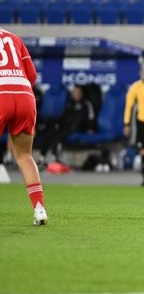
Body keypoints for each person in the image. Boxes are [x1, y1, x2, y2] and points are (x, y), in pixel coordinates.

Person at [0, 28, 48, 225]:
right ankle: (39, 209)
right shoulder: (14, 37)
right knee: (25, 156)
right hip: (24, 95)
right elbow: (32, 75)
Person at [39, 85, 95, 164]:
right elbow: (63, 115)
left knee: (58, 134)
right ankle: (42, 157)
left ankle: (54, 156)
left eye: (78, 92)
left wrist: (90, 127)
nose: (76, 94)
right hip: (65, 125)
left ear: (82, 93)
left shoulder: (86, 104)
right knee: (50, 129)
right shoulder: (69, 103)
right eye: (75, 92)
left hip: (76, 127)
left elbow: (91, 117)